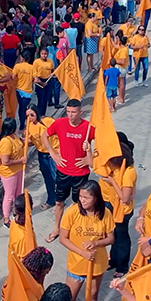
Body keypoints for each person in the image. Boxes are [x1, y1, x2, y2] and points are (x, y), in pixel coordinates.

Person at [60, 180, 115, 301]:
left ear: (96, 198)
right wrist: (82, 253)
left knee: (92, 295)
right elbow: (63, 238)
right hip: (77, 263)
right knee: (69, 298)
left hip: (97, 263)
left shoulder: (105, 213)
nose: (82, 200)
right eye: (80, 196)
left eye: (86, 198)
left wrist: (96, 243)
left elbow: (110, 238)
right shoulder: (72, 212)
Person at [42, 99, 95, 243]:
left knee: (78, 204)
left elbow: (102, 145)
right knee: (59, 203)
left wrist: (89, 158)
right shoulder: (59, 123)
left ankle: (73, 228)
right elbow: (44, 135)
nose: (70, 115)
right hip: (63, 171)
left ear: (80, 112)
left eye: (73, 112)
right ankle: (56, 229)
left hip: (81, 173)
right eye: (68, 112)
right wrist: (52, 153)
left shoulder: (88, 127)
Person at [97, 146, 136, 277]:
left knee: (121, 238)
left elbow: (125, 198)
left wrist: (113, 182)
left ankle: (122, 266)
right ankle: (113, 260)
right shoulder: (119, 167)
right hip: (113, 205)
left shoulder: (128, 173)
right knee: (114, 235)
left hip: (122, 210)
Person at [26, 105, 57, 210]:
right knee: (48, 178)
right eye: (27, 116)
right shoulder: (29, 125)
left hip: (53, 153)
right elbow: (32, 142)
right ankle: (51, 200)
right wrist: (23, 141)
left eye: (32, 115)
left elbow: (60, 133)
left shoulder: (47, 121)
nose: (30, 118)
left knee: (56, 177)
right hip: (42, 154)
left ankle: (60, 201)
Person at [0, 118, 26, 227]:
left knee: (18, 194)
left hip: (18, 170)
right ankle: (6, 218)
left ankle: (16, 212)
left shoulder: (14, 136)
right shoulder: (5, 142)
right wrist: (21, 160)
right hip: (9, 173)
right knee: (9, 196)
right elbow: (5, 161)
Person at [13, 49, 34, 131]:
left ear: (21, 58)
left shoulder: (17, 66)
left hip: (19, 90)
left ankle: (22, 124)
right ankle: (25, 123)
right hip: (28, 92)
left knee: (21, 108)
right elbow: (35, 79)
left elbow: (13, 77)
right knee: (24, 108)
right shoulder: (32, 67)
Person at [33, 47, 55, 116]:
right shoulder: (36, 62)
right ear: (40, 54)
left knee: (46, 100)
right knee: (41, 100)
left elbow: (52, 70)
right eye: (42, 54)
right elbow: (34, 74)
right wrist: (41, 82)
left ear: (48, 54)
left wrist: (52, 74)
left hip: (48, 81)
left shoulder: (50, 62)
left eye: (45, 54)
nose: (44, 55)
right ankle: (38, 115)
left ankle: (43, 115)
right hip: (40, 81)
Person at [113, 36, 129, 105]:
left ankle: (121, 98)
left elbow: (122, 61)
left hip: (121, 68)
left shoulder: (123, 50)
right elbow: (115, 46)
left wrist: (114, 61)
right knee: (120, 83)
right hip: (121, 68)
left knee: (121, 84)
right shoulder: (123, 48)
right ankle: (120, 96)